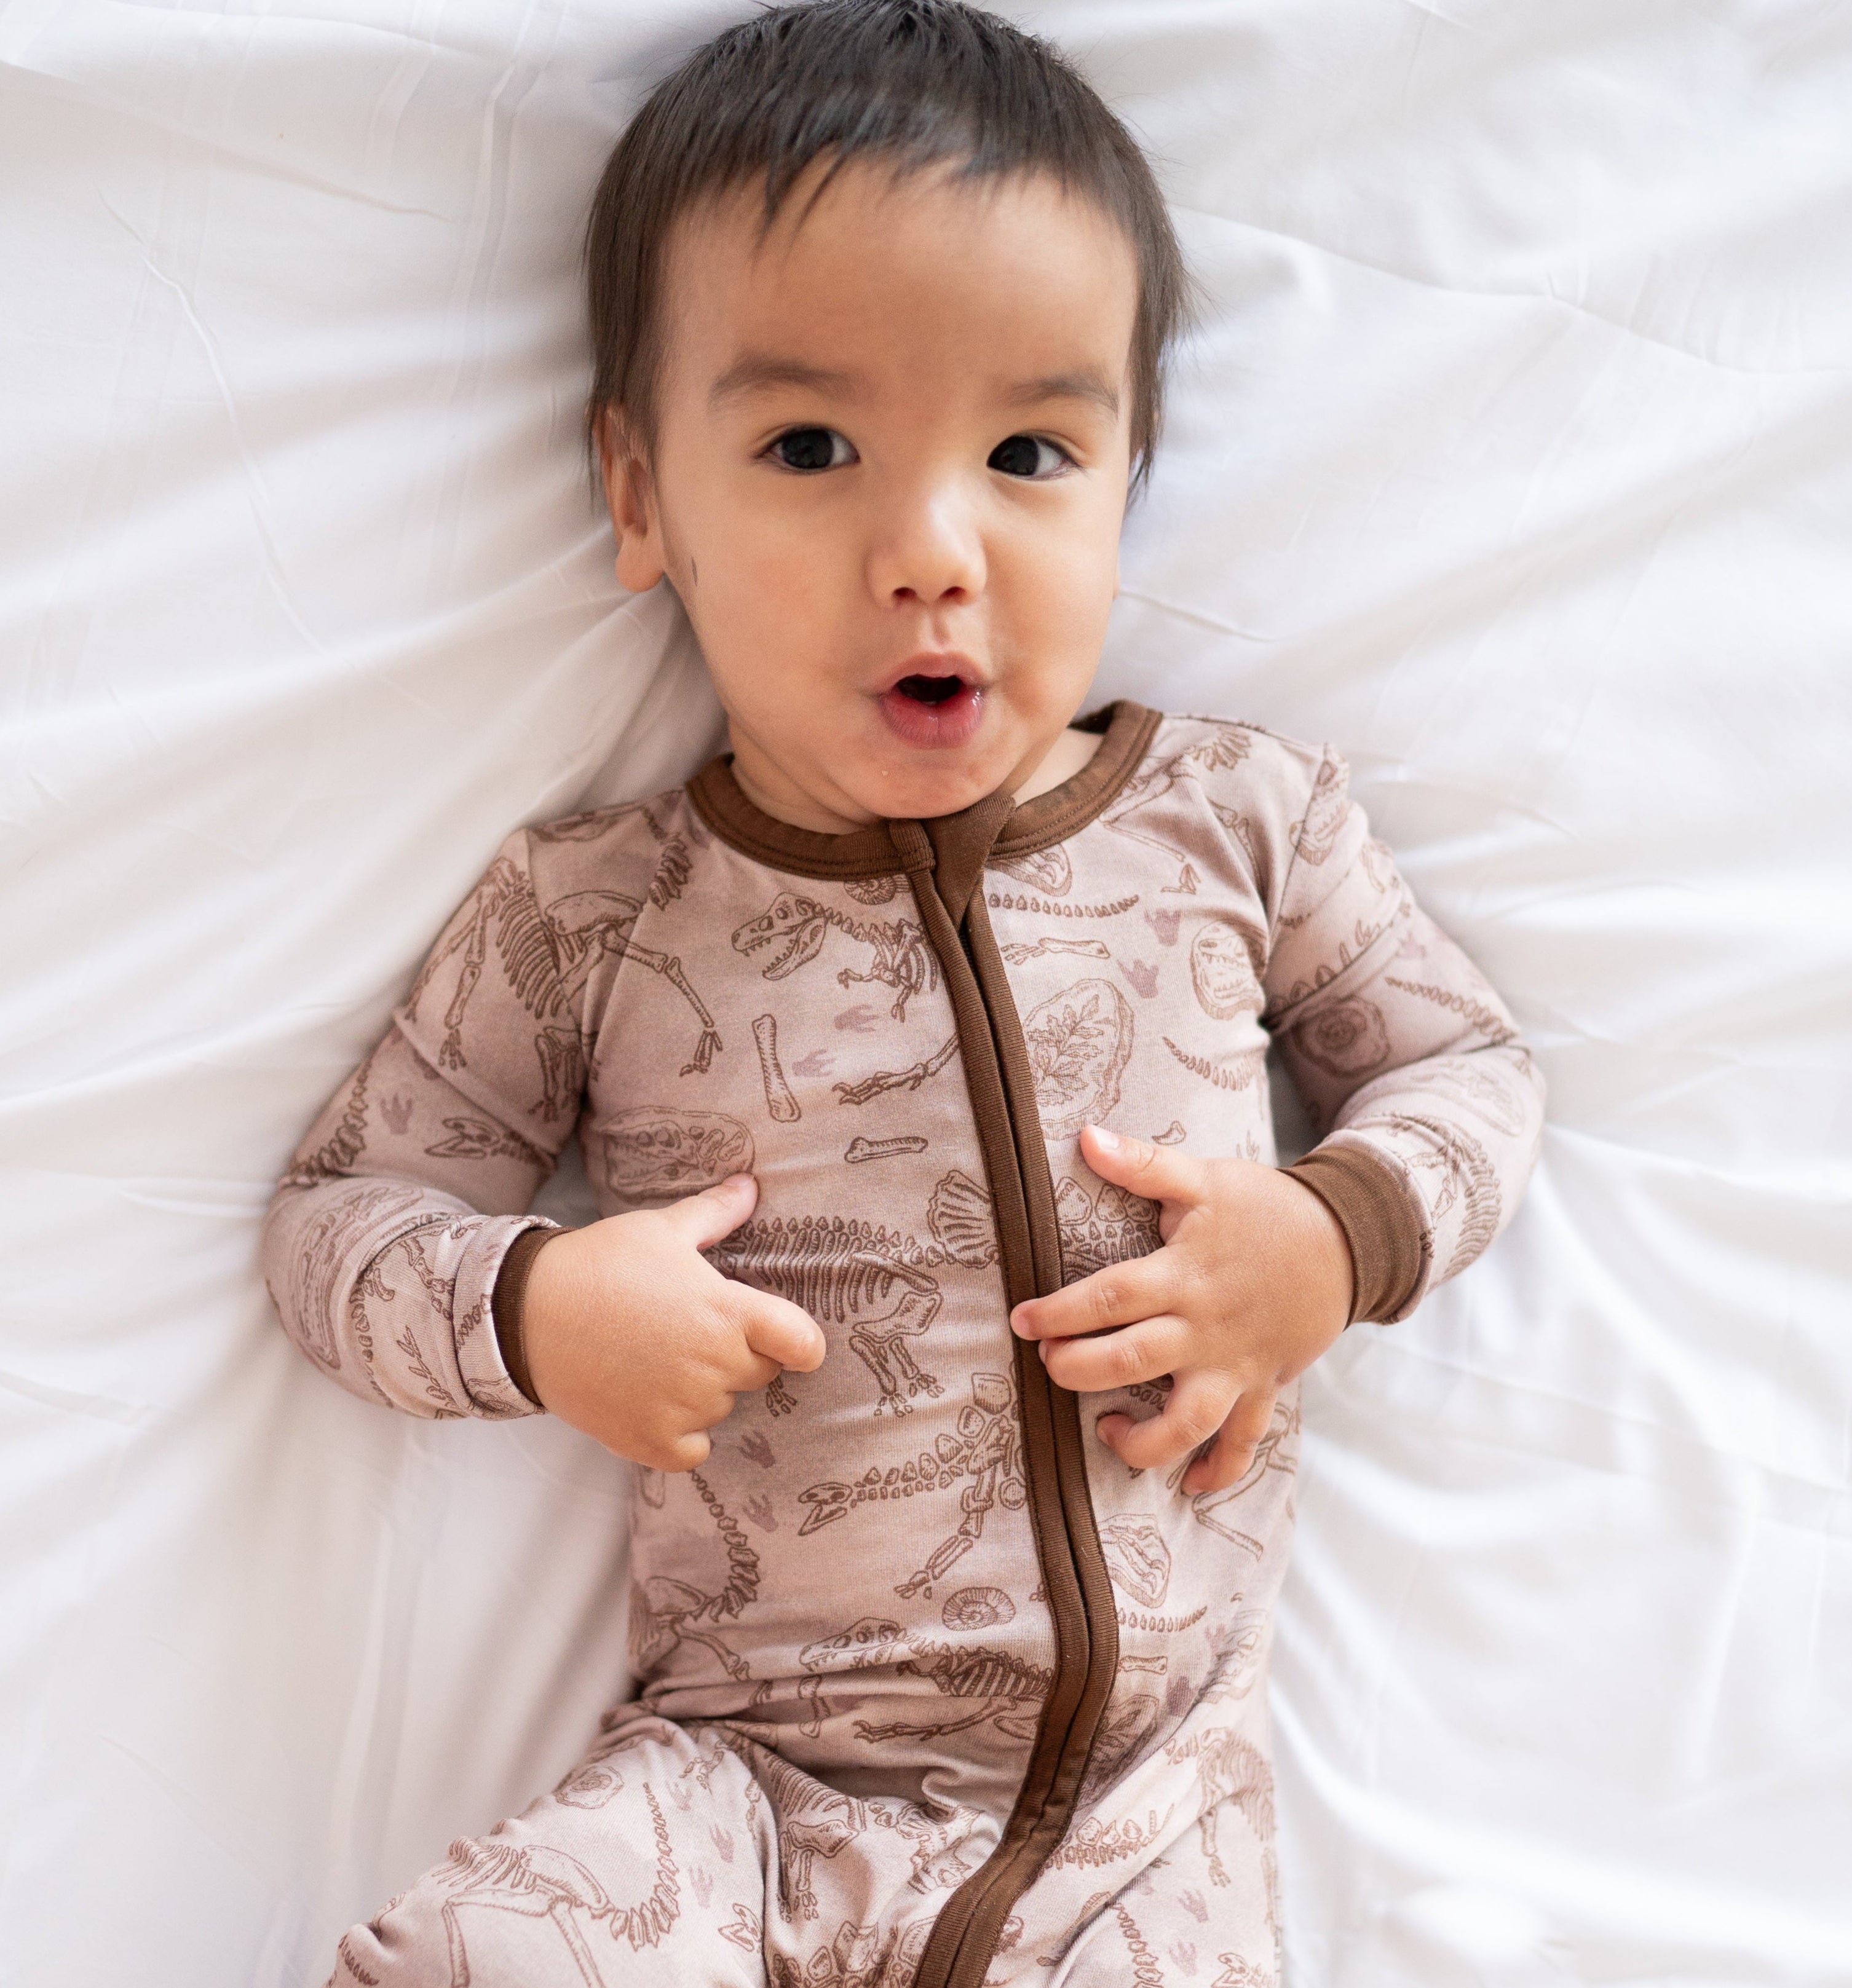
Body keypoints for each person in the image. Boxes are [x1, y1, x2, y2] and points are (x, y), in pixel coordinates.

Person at [263, 3, 1545, 1981]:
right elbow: (337, 1222)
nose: (931, 548)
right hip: (737, 1782)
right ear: (640, 494)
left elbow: (1466, 1071)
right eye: (806, 446)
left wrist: (1328, 1239)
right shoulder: (590, 912)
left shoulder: (1243, 820)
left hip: (1150, 1809)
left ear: (1126, 479)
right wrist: (537, 1305)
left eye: (1030, 452)